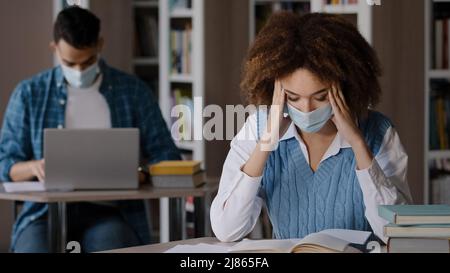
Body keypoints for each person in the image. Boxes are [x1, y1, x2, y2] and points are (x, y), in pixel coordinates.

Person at [210, 12, 412, 243]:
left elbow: (397, 233)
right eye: (293, 97)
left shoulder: (379, 133)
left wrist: (357, 144)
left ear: (346, 87)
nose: (306, 109)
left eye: (321, 96)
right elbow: (227, 229)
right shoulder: (258, 129)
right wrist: (266, 143)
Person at [0, 6, 180, 252]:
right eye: (69, 63)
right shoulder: (29, 93)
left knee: (111, 244)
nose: (79, 71)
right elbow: (5, 164)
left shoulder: (134, 91)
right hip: (43, 214)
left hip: (110, 213)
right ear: (54, 48)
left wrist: (140, 172)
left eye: (87, 61)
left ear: (100, 45)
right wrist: (34, 167)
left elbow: (168, 156)